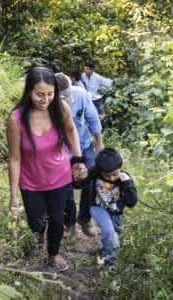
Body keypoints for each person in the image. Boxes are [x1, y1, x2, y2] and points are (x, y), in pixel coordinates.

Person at [6, 66, 87, 272]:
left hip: (59, 176)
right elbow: (15, 158)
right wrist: (13, 196)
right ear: (29, 91)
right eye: (39, 94)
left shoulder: (61, 109)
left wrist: (78, 159)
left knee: (58, 220)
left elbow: (71, 131)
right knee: (36, 222)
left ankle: (53, 254)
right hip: (30, 180)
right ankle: (40, 233)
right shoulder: (16, 119)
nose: (45, 99)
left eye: (50, 94)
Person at [54, 72, 104, 236]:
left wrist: (100, 145)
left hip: (83, 144)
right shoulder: (45, 102)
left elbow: (93, 118)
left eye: (66, 95)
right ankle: (69, 222)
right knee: (64, 184)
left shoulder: (81, 95)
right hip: (60, 148)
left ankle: (85, 219)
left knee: (90, 178)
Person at [79, 148, 138, 265]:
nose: (111, 178)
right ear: (100, 171)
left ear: (121, 167)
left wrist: (128, 183)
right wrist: (80, 176)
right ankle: (110, 260)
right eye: (107, 175)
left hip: (116, 211)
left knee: (116, 233)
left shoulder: (125, 179)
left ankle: (105, 249)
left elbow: (132, 202)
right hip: (98, 207)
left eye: (115, 174)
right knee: (109, 232)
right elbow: (80, 184)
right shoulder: (95, 172)